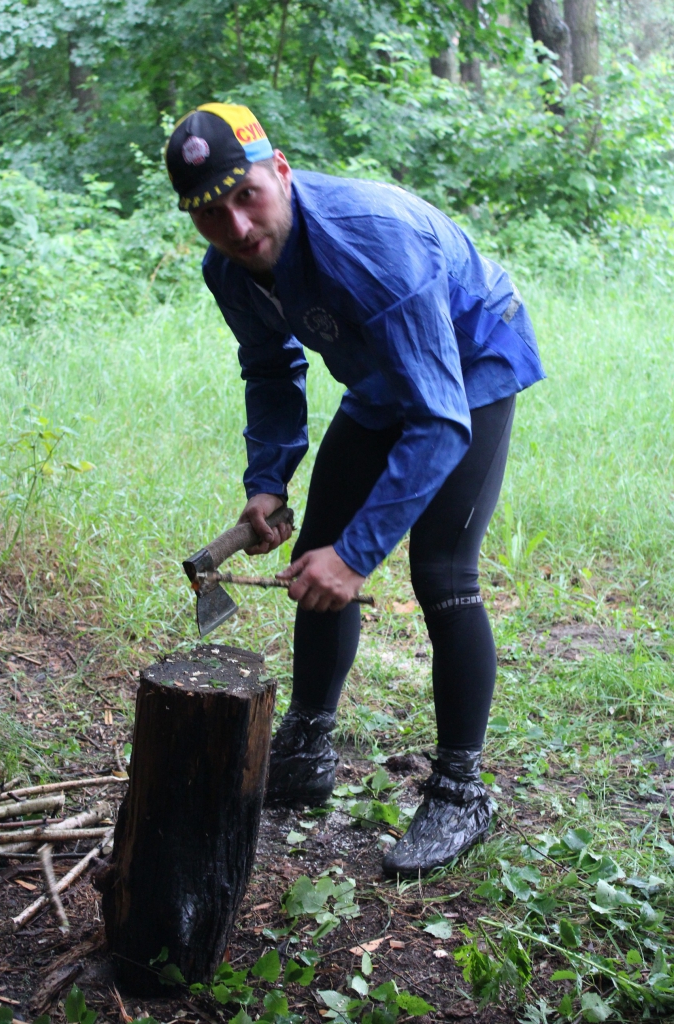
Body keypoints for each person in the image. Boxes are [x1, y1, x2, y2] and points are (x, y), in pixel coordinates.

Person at [165, 102, 545, 877]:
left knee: (441, 570)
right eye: (209, 212)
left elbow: (437, 420)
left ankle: (460, 791)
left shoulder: (368, 243)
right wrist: (267, 482)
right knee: (315, 550)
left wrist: (358, 556)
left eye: (246, 196)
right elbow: (270, 368)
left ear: (279, 171)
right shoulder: (228, 269)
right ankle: (307, 748)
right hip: (380, 375)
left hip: (468, 366)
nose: (236, 226)